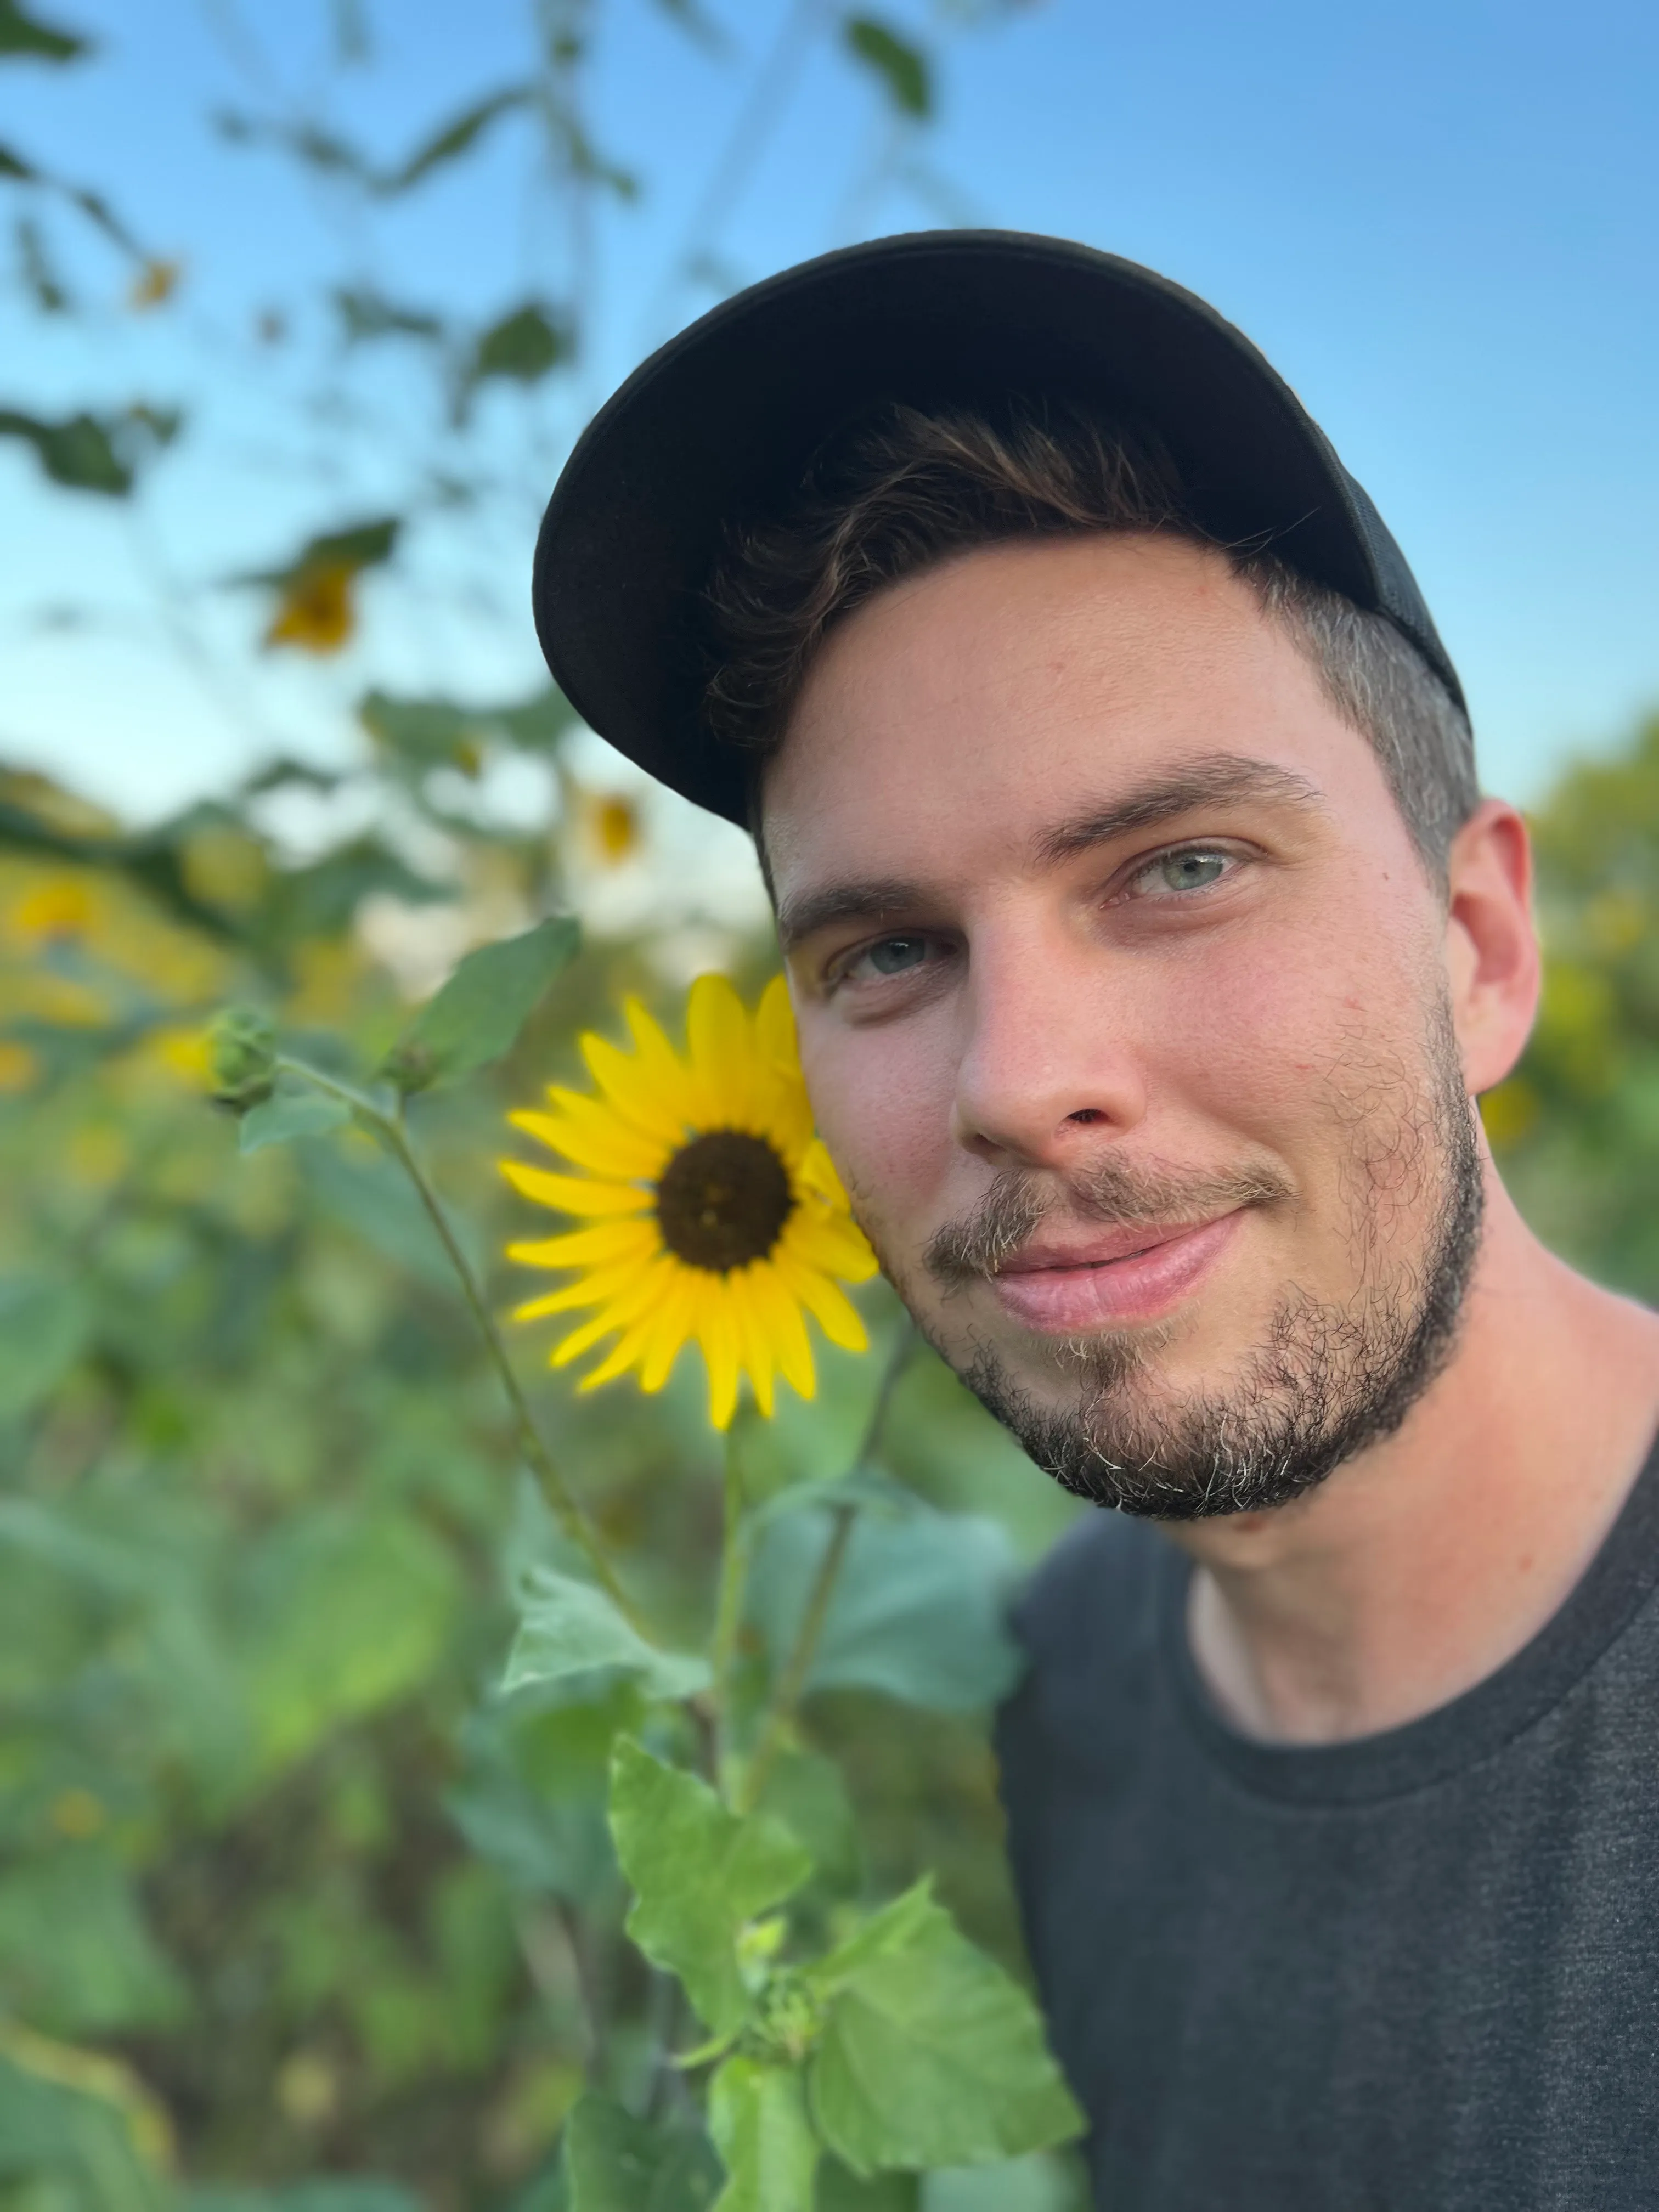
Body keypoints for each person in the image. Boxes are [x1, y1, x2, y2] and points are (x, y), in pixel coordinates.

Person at [531, 232, 1659, 2207]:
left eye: (1183, 864)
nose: (1010, 1079)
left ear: (1477, 949)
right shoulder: (1065, 1681)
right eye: (886, 952)